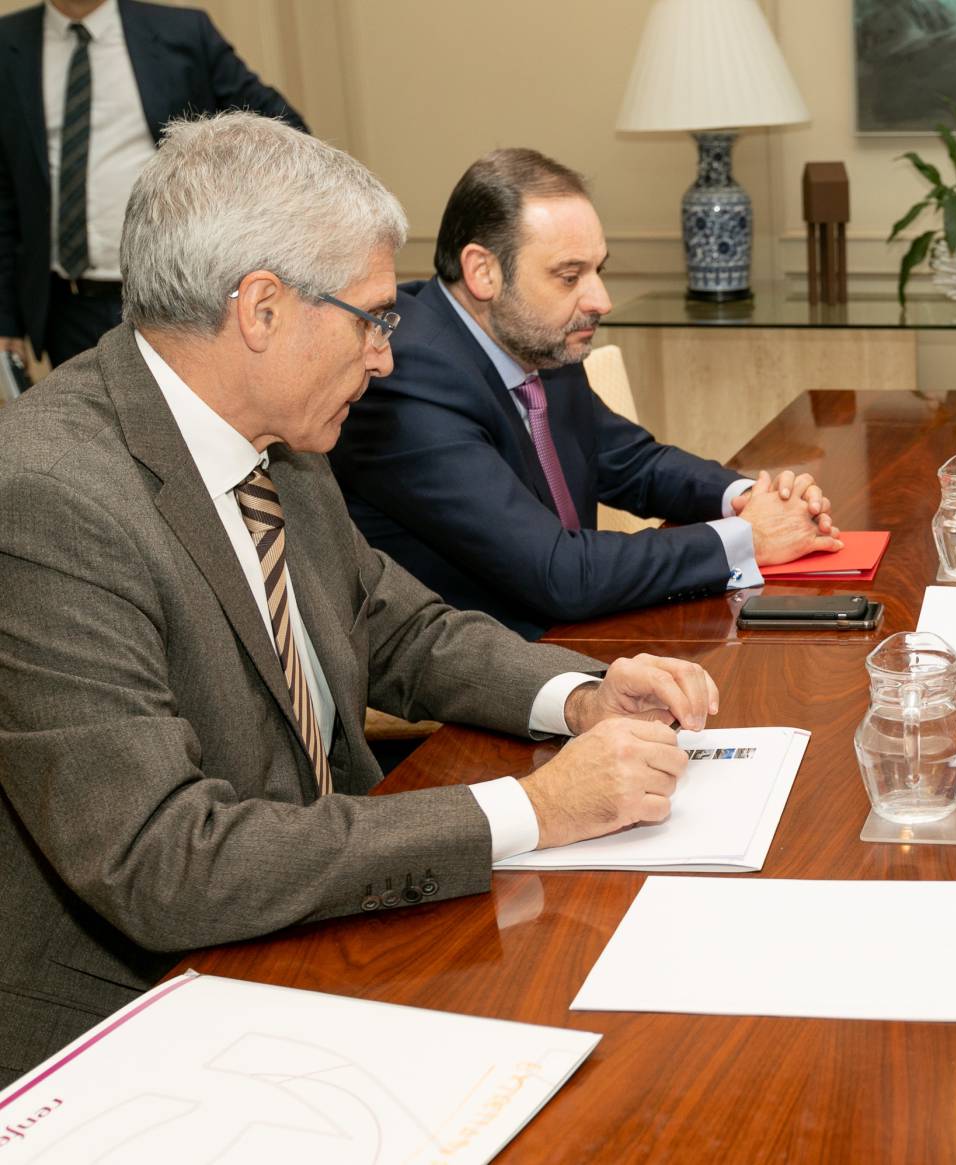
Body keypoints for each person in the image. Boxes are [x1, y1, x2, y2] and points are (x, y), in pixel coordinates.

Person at [0, 112, 724, 1080]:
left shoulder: (276, 432)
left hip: (313, 931)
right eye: (373, 317)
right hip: (137, 1013)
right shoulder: (48, 498)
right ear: (261, 309)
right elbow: (164, 857)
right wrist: (529, 808)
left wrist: (580, 696)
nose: (387, 356)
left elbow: (401, 626)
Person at [329, 149, 840, 639]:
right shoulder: (407, 375)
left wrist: (748, 498)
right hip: (493, 671)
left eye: (599, 270)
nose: (601, 300)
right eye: (570, 276)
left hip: (586, 632)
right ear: (483, 271)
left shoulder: (533, 336)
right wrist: (748, 540)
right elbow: (559, 573)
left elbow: (631, 463)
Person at [0, 0, 305, 369]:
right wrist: (6, 318)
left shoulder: (183, 33)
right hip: (67, 306)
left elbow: (283, 132)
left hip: (176, 292)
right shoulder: (9, 41)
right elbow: (4, 194)